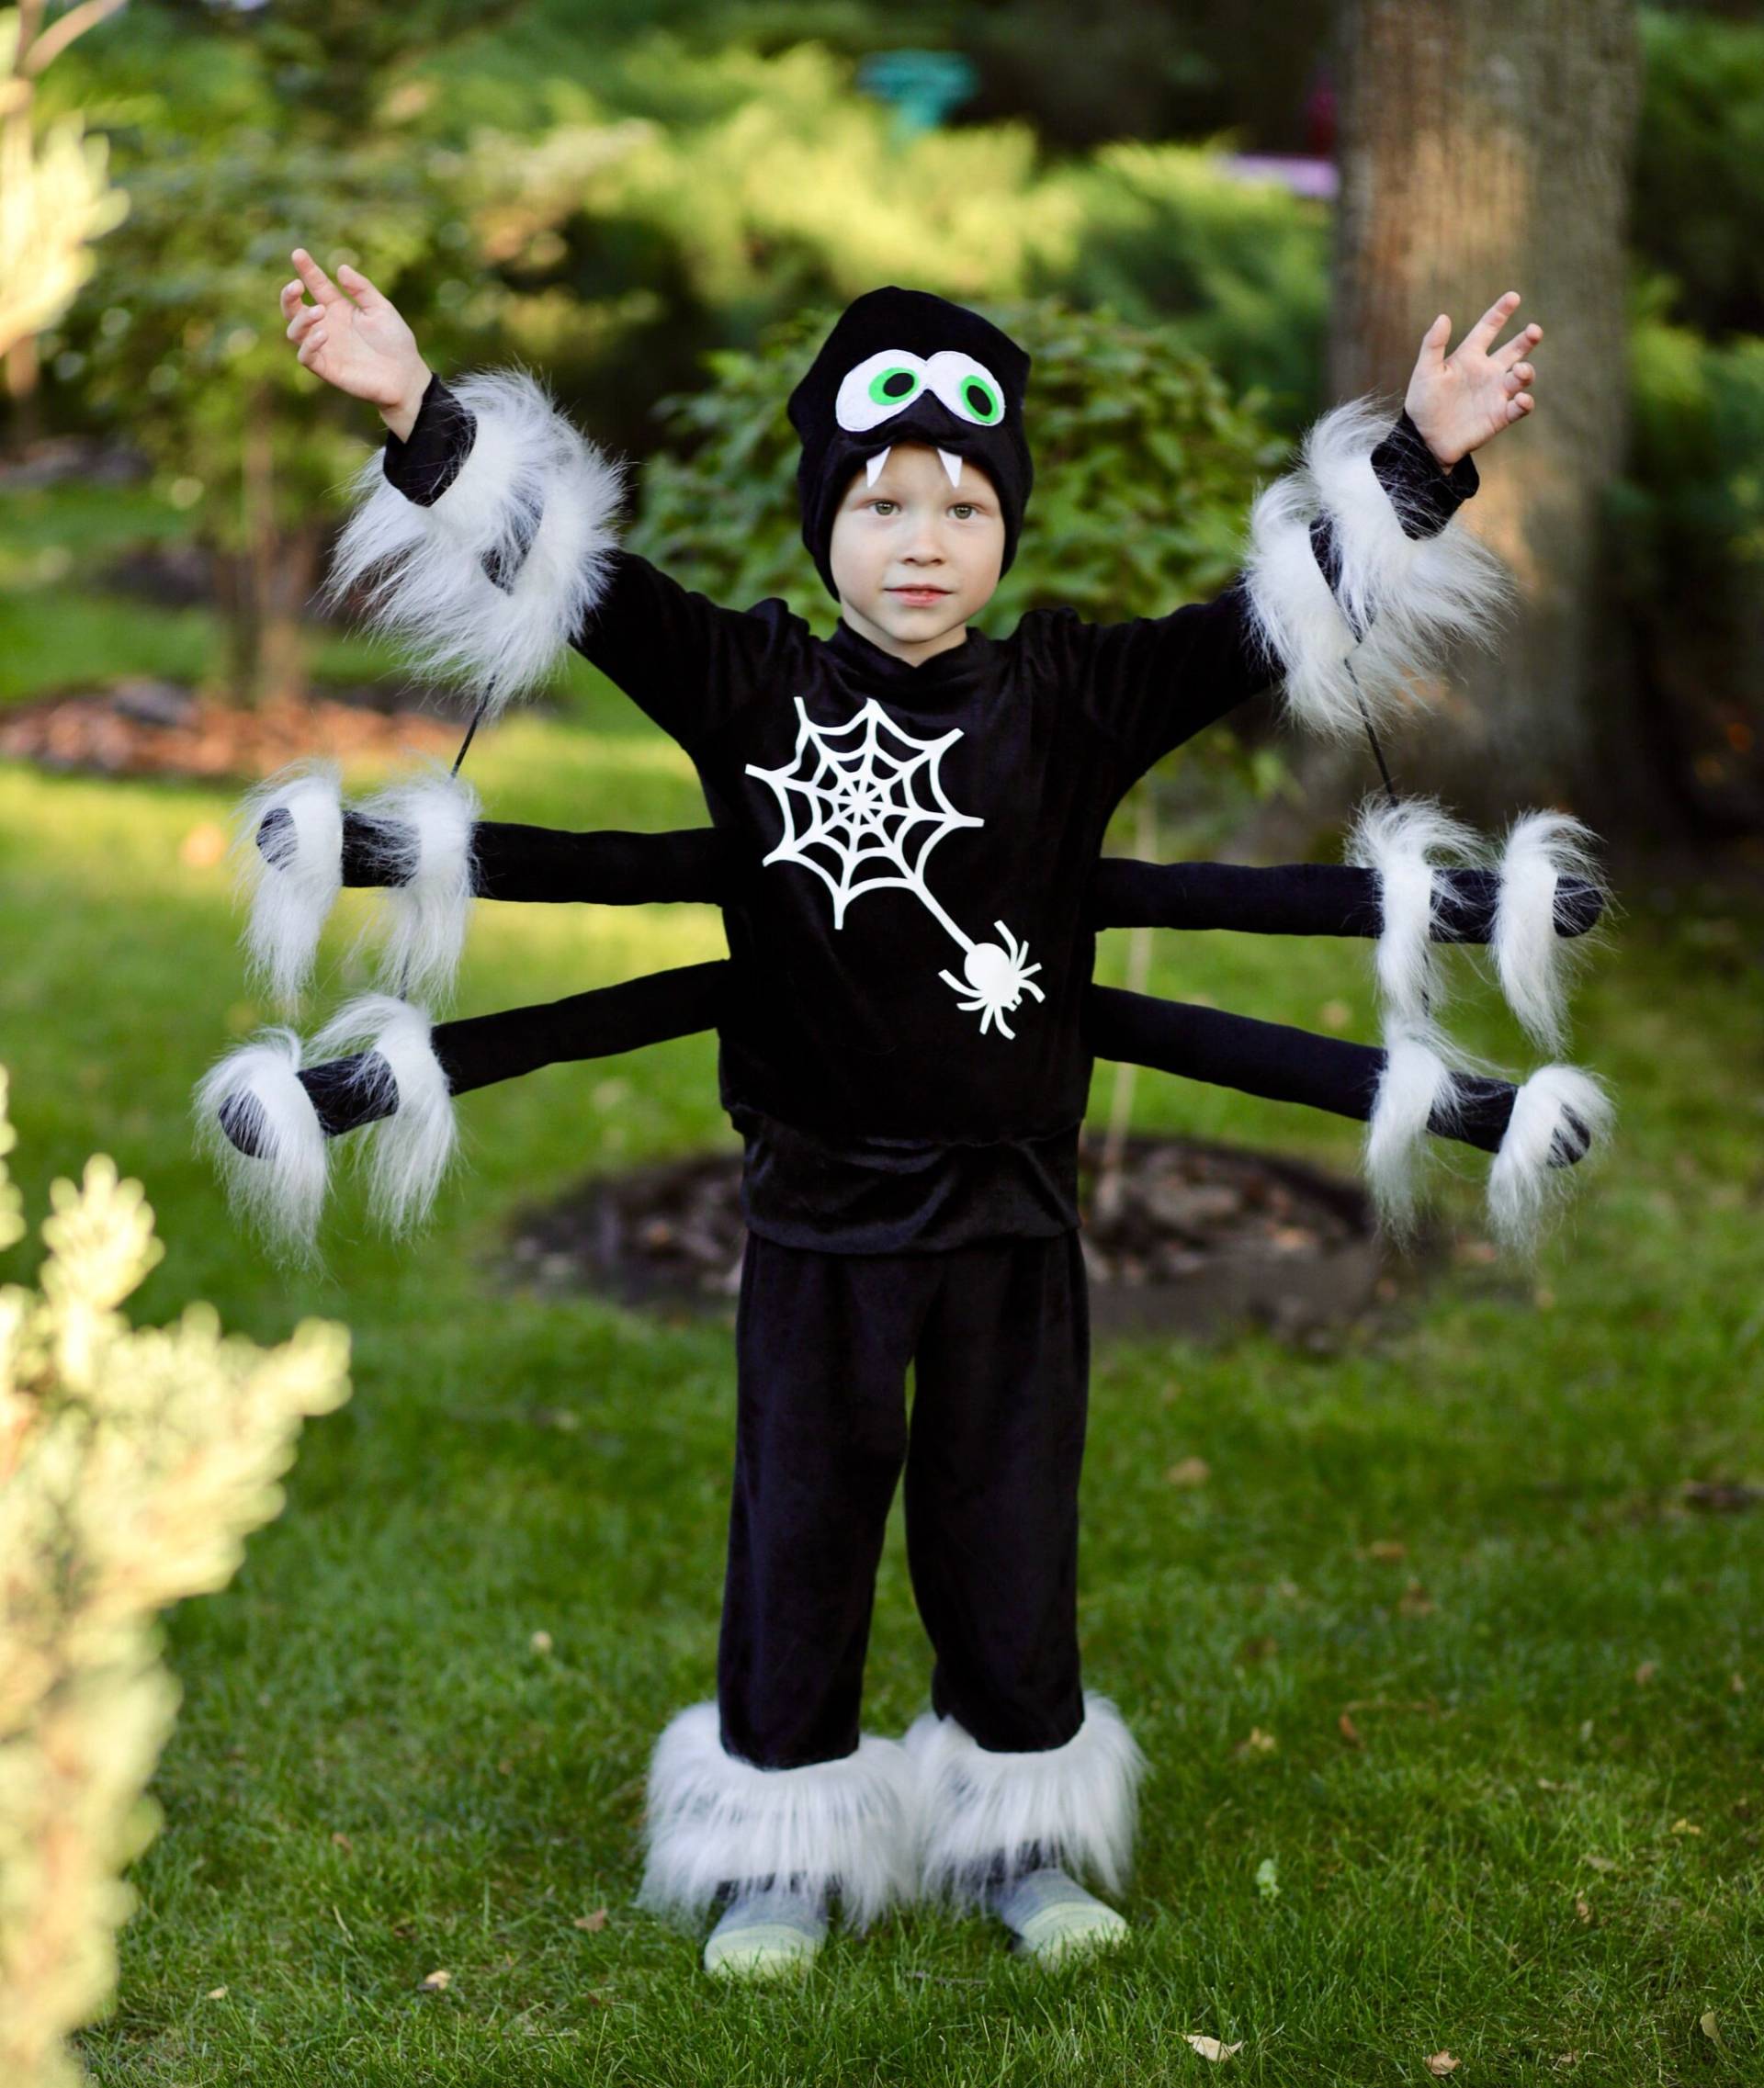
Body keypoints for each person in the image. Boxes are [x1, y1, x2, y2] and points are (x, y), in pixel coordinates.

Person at [196, 254, 1610, 1979]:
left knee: (1006, 1518)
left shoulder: (1070, 705)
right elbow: (575, 587)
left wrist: (1419, 458)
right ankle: (779, 1841)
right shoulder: (743, 687)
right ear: (825, 526)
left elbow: (1265, 626)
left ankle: (1020, 1827)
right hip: (815, 1219)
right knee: (801, 1519)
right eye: (879, 504)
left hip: (1013, 1211)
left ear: (1006, 532)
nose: (920, 539)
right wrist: (422, 416)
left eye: (959, 505)